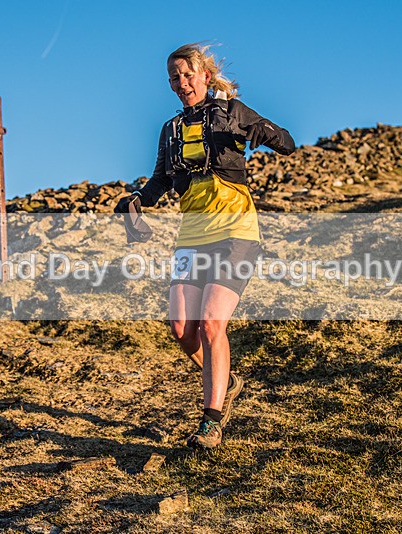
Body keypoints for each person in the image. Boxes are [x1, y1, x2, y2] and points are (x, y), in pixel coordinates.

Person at [115, 43, 295, 448]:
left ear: (205, 76)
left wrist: (259, 131)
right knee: (182, 329)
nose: (182, 84)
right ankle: (226, 379)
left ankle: (211, 421)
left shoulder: (232, 111)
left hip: (237, 232)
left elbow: (287, 142)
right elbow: (161, 181)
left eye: (188, 75)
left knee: (213, 323)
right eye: (174, 79)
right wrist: (138, 201)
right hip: (193, 236)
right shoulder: (171, 129)